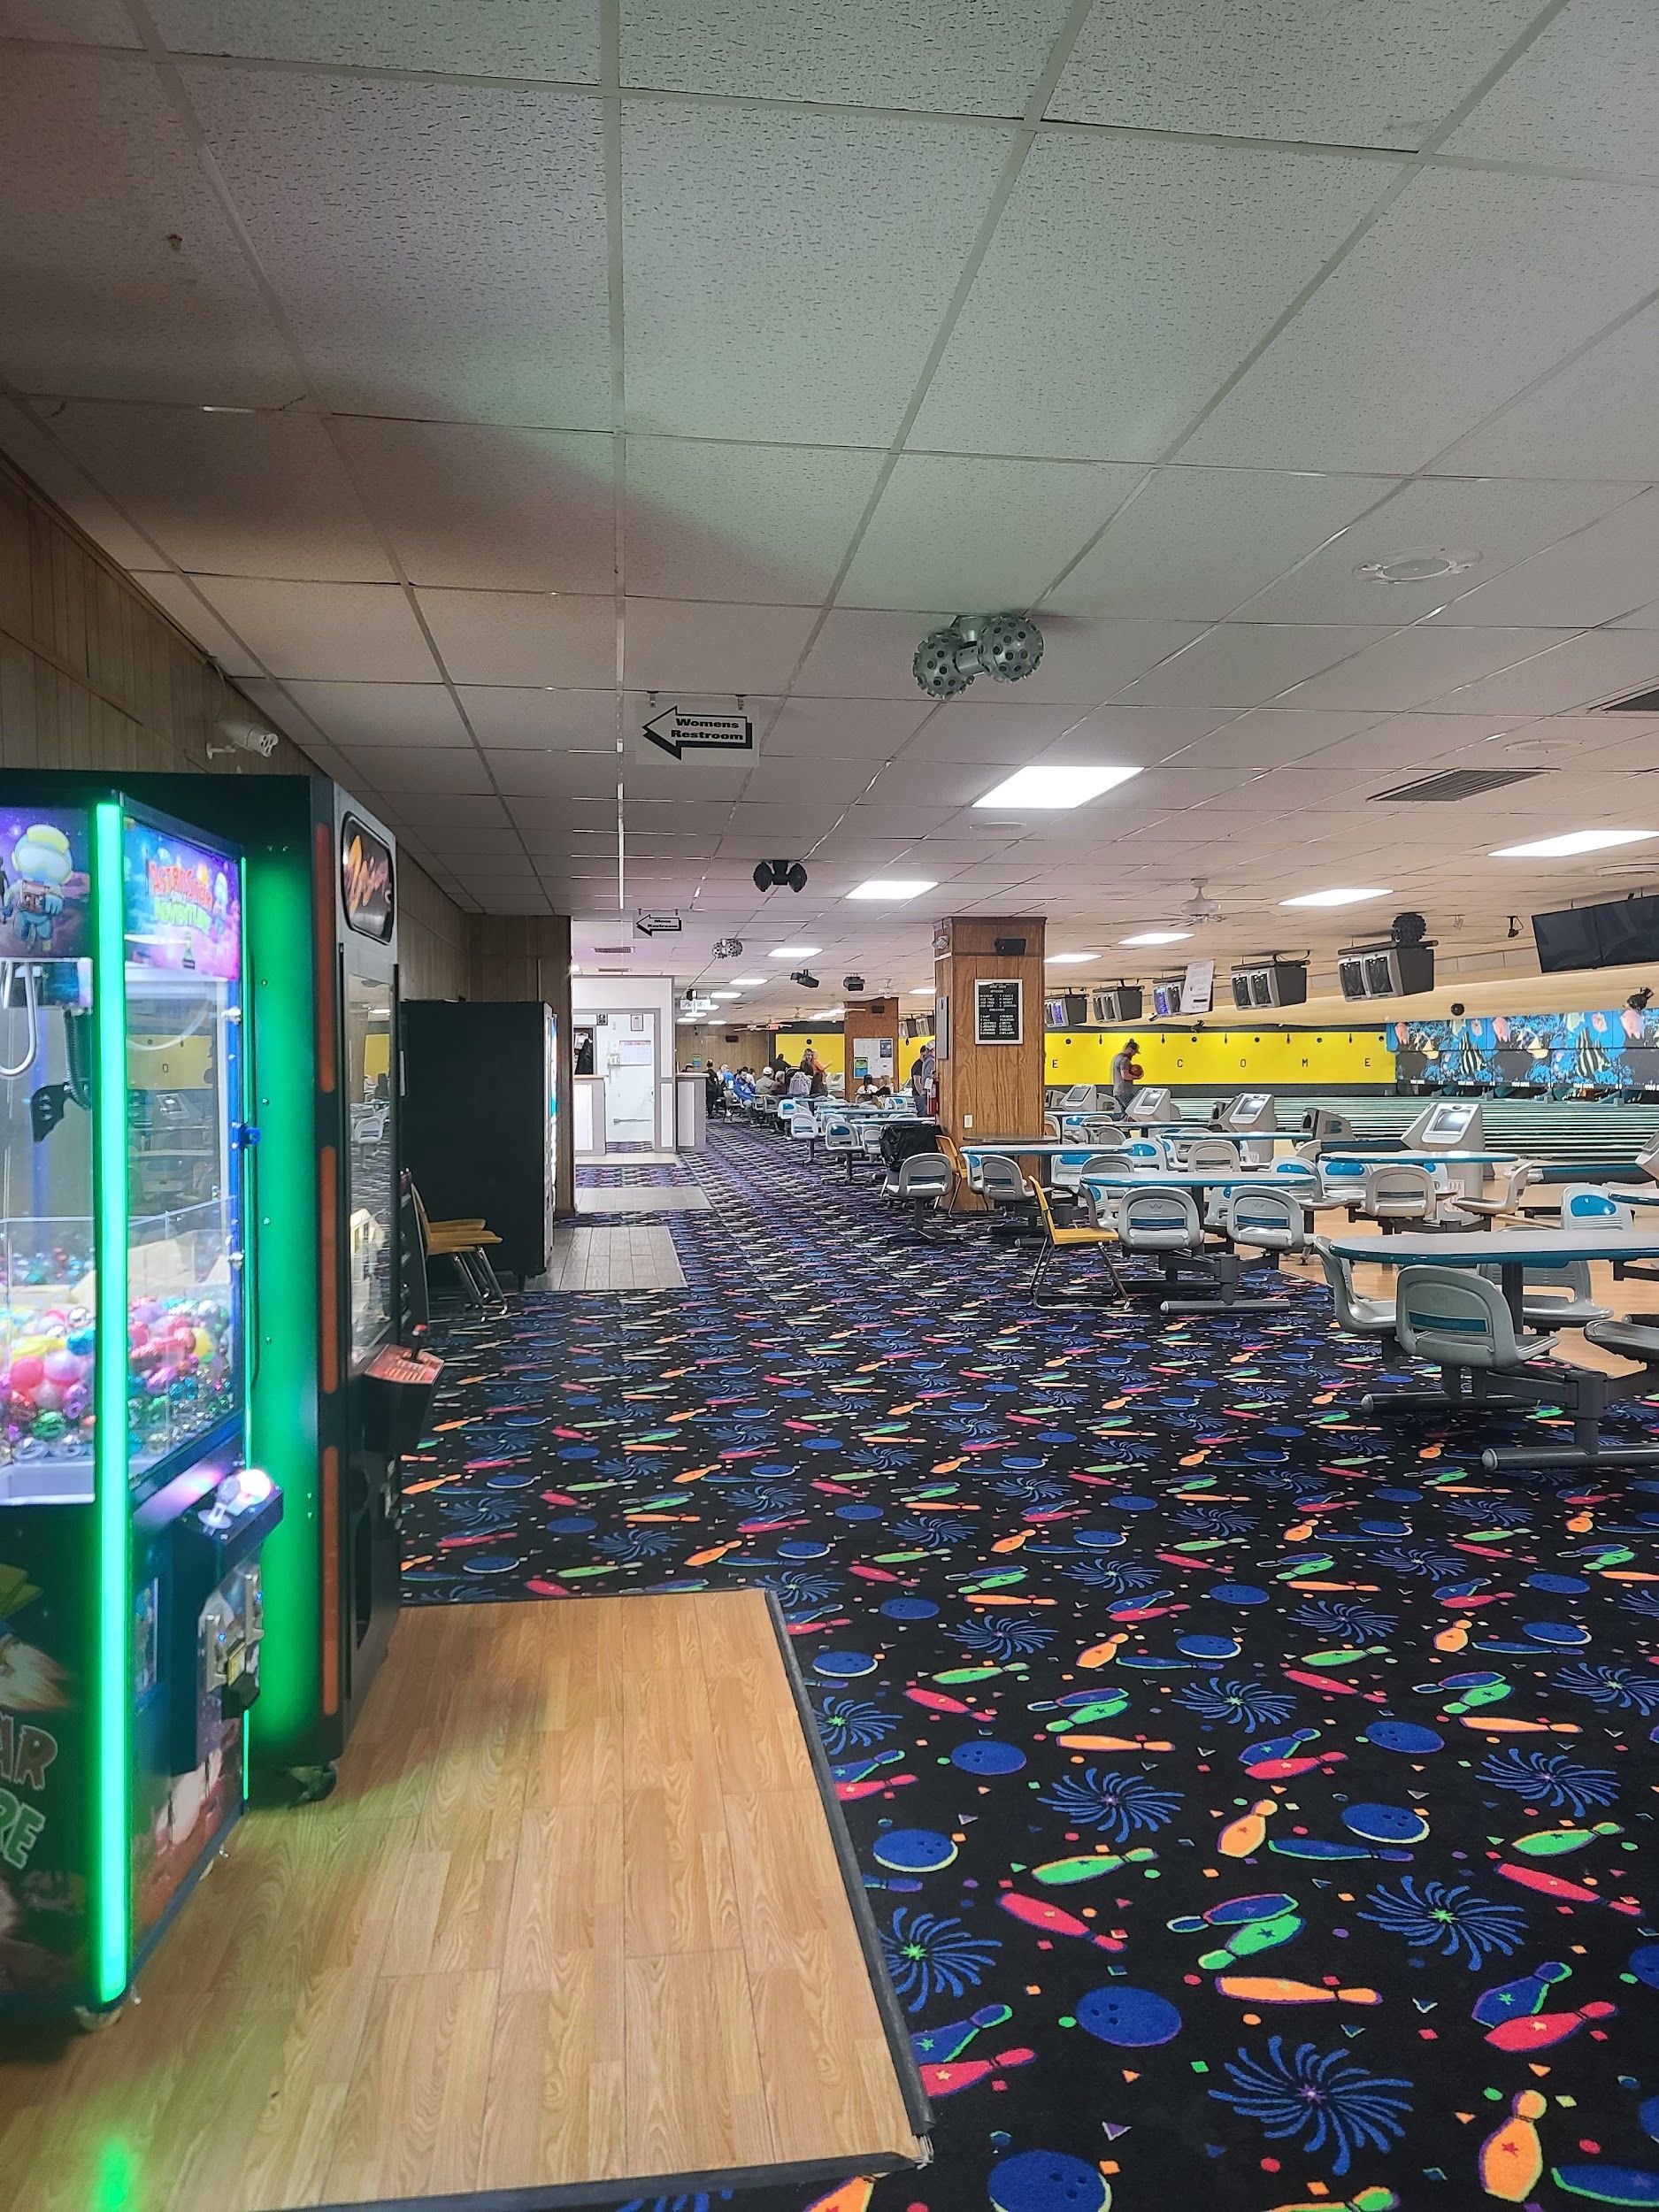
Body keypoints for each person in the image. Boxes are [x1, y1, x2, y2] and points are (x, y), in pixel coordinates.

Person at [1110, 1038, 1142, 1110]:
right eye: (1134, 1052)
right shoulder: (1125, 1060)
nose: (1134, 1054)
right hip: (1124, 1092)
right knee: (1132, 1111)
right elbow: (1125, 1076)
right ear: (1130, 1049)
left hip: (1118, 1091)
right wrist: (1138, 1077)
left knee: (1125, 1113)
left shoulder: (1117, 1057)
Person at [910, 1044, 937, 1116]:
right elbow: (917, 1081)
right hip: (919, 1096)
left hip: (923, 1095)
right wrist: (922, 1094)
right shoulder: (918, 1065)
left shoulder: (924, 1063)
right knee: (923, 1115)